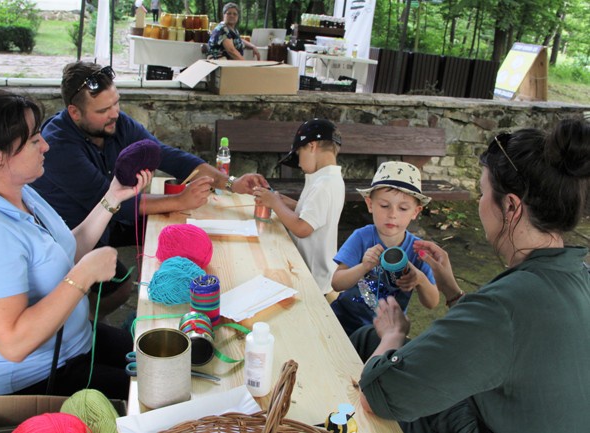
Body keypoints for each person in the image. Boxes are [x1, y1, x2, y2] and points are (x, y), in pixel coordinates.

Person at [355, 119, 590, 432]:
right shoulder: (578, 275)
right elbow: (511, 339)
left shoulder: (506, 305)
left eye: (482, 193)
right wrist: (453, 292)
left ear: (510, 206)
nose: (480, 204)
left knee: (370, 346)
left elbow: (379, 395)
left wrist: (393, 334)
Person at [0, 89, 152, 398]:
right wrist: (83, 276)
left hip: (75, 344)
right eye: (34, 140)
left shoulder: (19, 192)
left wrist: (112, 197)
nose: (46, 145)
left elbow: (64, 250)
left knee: (169, 360)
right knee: (160, 393)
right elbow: (13, 343)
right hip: (33, 380)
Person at [32, 61, 267, 319]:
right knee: (119, 288)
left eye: (116, 103)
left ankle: (102, 317)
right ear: (75, 113)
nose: (115, 114)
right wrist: (180, 200)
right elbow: (117, 204)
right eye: (103, 110)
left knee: (166, 233)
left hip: (107, 218)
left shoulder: (116, 123)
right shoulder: (58, 145)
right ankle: (81, 326)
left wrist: (231, 183)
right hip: (72, 236)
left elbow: (166, 156)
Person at [330, 161, 438, 337]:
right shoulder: (361, 237)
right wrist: (364, 267)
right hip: (343, 319)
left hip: (385, 331)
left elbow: (433, 302)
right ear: (370, 204)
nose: (393, 214)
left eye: (403, 208)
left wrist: (420, 279)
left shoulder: (418, 249)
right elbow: (336, 283)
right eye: (384, 206)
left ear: (415, 211)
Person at [253, 119, 344, 295]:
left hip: (312, 278)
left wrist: (275, 203)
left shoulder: (324, 184)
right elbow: (313, 212)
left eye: (299, 155)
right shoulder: (327, 179)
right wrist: (281, 200)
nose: (300, 165)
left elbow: (302, 228)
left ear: (311, 146)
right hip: (311, 271)